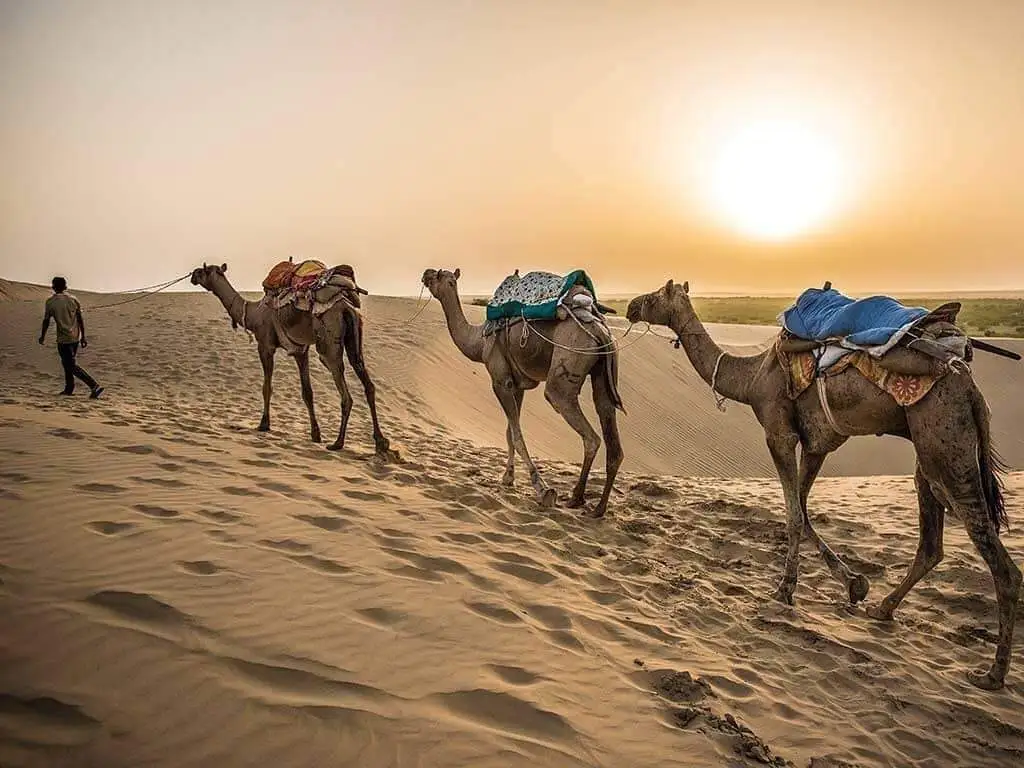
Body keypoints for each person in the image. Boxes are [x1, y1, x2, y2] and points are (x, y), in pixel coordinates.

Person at [39, 276, 103, 398]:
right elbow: (80, 319)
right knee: (67, 363)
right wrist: (83, 336)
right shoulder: (73, 299)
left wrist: (42, 336)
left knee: (70, 364)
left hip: (64, 339)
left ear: (53, 287)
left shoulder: (50, 302)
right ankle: (69, 389)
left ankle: (94, 385)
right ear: (65, 286)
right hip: (75, 337)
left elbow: (46, 320)